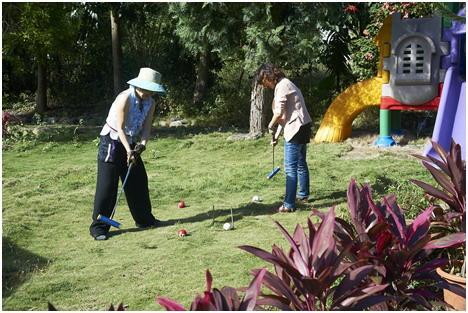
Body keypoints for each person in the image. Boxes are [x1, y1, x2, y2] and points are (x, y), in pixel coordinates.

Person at [89, 68, 165, 240]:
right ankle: (99, 227)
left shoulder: (150, 102)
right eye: (146, 89)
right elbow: (121, 128)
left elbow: (146, 129)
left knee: (137, 180)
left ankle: (144, 220)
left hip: (130, 142)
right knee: (107, 186)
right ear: (138, 85)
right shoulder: (125, 98)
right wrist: (128, 150)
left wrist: (141, 146)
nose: (148, 93)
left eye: (151, 90)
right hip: (112, 141)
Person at [256, 63, 312, 213]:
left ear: (268, 77)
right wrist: (276, 135)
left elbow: (279, 113)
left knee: (290, 168)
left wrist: (269, 125)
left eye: (264, 82)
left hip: (296, 128)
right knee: (300, 163)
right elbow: (285, 117)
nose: (265, 85)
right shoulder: (287, 84)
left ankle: (288, 204)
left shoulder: (281, 86)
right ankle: (303, 195)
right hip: (303, 126)